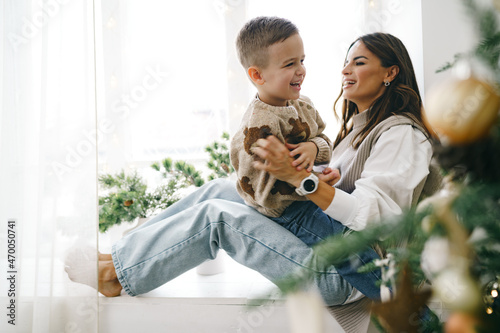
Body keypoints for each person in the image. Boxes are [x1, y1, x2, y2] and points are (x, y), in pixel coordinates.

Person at [66, 29, 439, 330]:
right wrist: (320, 172)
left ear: (391, 72)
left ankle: (115, 274)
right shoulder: (357, 130)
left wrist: (303, 180)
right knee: (223, 188)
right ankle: (121, 257)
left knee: (218, 216)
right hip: (326, 240)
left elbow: (380, 219)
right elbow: (338, 188)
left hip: (349, 274)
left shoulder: (401, 133)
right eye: (345, 63)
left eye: (359, 62)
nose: (344, 71)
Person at [230, 16, 332, 218]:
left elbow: (326, 141)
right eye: (289, 64)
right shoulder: (260, 127)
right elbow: (263, 194)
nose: (301, 70)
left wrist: (314, 148)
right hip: (283, 214)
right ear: (258, 75)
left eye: (301, 61)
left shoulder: (304, 104)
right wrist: (315, 183)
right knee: (349, 242)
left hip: (311, 196)